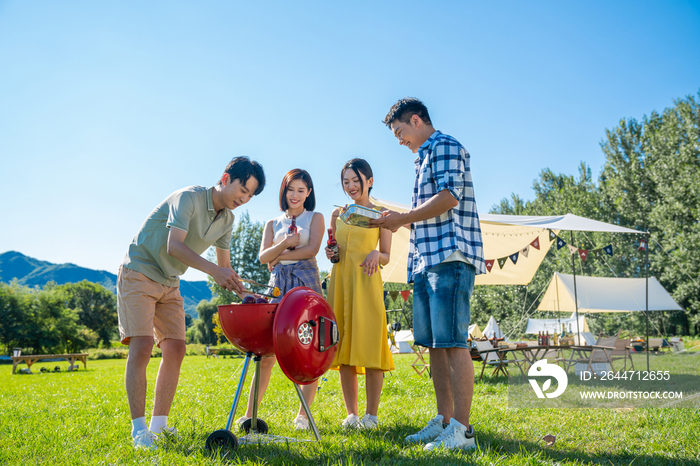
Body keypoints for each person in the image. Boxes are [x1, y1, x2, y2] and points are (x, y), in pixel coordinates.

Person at [118, 156, 266, 450]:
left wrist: (244, 295)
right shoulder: (189, 198)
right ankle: (139, 431)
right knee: (143, 344)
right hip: (140, 271)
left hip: (170, 281)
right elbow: (175, 245)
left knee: (175, 348)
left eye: (251, 195)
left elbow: (225, 267)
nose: (245, 199)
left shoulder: (227, 219)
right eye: (243, 190)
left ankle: (159, 427)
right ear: (226, 179)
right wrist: (216, 271)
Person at [370, 98, 486, 451]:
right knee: (435, 344)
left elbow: (450, 196)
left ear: (417, 120)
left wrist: (400, 220)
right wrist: (399, 218)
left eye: (400, 132)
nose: (399, 140)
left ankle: (463, 432)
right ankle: (444, 420)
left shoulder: (446, 146)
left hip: (450, 255)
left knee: (452, 341)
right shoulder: (422, 159)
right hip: (426, 260)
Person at [235, 169, 325, 431]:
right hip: (277, 286)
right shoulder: (272, 224)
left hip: (306, 283)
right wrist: (285, 244)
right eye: (290, 189)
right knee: (266, 351)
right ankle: (250, 414)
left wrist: (279, 256)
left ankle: (303, 416)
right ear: (283, 191)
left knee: (307, 345)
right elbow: (263, 258)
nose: (295, 195)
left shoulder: (315, 218)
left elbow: (312, 250)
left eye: (301, 190)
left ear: (308, 193)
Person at [326, 158, 394, 429]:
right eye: (346, 182)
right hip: (340, 283)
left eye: (356, 180)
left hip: (366, 285)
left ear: (370, 180)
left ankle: (372, 416)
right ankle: (352, 415)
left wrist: (378, 253)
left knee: (370, 345)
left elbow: (387, 255)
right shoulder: (337, 214)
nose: (351, 186)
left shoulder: (382, 215)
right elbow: (333, 249)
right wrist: (331, 253)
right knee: (344, 349)